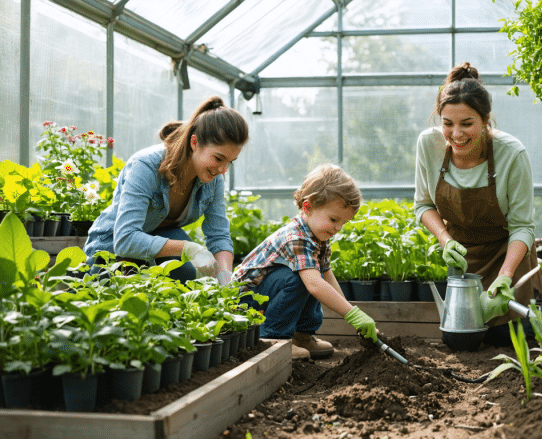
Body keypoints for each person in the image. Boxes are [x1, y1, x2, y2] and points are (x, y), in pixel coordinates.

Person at [414, 62, 542, 346]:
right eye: (447, 124)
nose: (456, 134)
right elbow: (423, 205)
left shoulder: (511, 154)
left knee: (514, 343)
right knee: (464, 343)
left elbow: (522, 226)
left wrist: (506, 276)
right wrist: (446, 240)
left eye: (467, 124)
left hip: (509, 257)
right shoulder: (428, 146)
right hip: (465, 262)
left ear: (485, 120)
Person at [84, 96, 248, 284]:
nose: (222, 170)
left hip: (157, 243)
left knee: (188, 276)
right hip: (111, 246)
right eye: (218, 158)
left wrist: (225, 276)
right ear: (194, 143)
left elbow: (219, 235)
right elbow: (125, 240)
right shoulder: (146, 166)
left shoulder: (213, 179)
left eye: (229, 162)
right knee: (124, 296)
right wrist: (188, 248)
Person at [232, 164, 379, 361]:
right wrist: (353, 315)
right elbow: (315, 285)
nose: (338, 228)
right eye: (334, 219)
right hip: (245, 302)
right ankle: (274, 338)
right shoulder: (296, 237)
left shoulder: (320, 236)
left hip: (267, 296)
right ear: (308, 207)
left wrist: (352, 314)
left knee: (312, 276)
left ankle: (301, 336)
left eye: (343, 223)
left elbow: (327, 277)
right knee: (304, 278)